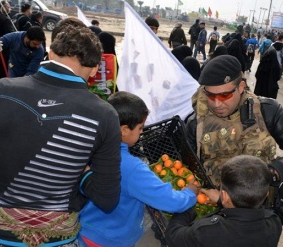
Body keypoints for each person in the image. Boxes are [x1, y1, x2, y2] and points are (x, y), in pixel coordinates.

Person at [0, 25, 122, 246]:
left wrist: (4, 161)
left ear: (50, 55)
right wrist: (82, 174)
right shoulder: (104, 115)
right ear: (95, 69)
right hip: (56, 238)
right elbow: (107, 198)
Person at [79, 91, 198, 247]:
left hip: (89, 229)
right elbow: (170, 201)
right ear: (124, 130)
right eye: (141, 128)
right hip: (112, 240)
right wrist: (190, 193)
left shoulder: (93, 148)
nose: (142, 132)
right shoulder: (132, 168)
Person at [186, 55, 283, 187]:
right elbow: (188, 165)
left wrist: (274, 172)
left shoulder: (267, 110)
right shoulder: (196, 123)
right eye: (210, 96)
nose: (217, 104)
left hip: (258, 201)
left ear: (241, 87)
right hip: (214, 201)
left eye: (225, 95)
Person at [165, 155, 282, 247]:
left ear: (224, 196)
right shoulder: (273, 222)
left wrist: (187, 207)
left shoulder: (206, 232)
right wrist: (223, 201)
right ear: (266, 194)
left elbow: (173, 236)